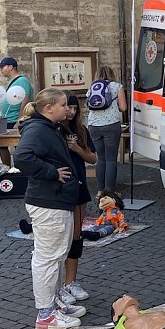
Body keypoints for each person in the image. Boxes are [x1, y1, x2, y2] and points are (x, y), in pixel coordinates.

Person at [13, 88, 86, 329]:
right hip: (48, 202)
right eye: (64, 105)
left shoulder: (48, 127)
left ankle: (52, 305)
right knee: (47, 257)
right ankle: (45, 315)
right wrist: (52, 173)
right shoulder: (37, 129)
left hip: (55, 200)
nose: (68, 109)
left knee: (56, 255)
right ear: (49, 108)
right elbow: (22, 158)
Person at [58, 93, 97, 304]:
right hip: (62, 188)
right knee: (61, 237)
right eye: (67, 107)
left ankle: (70, 282)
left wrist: (79, 150)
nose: (71, 112)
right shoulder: (55, 129)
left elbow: (93, 157)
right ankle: (58, 285)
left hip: (80, 184)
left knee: (76, 235)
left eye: (74, 108)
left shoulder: (81, 130)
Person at [86, 66, 127, 193]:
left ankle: (99, 190)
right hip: (111, 125)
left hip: (93, 125)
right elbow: (123, 107)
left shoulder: (92, 87)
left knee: (101, 158)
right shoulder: (116, 86)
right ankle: (109, 191)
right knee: (111, 159)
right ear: (112, 74)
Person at [0, 56, 35, 167]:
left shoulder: (22, 81)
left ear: (11, 67)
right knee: (1, 144)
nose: (1, 70)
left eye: (2, 67)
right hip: (8, 118)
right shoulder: (12, 81)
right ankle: (7, 168)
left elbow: (24, 101)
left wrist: (19, 120)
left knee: (18, 146)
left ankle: (20, 170)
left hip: (14, 119)